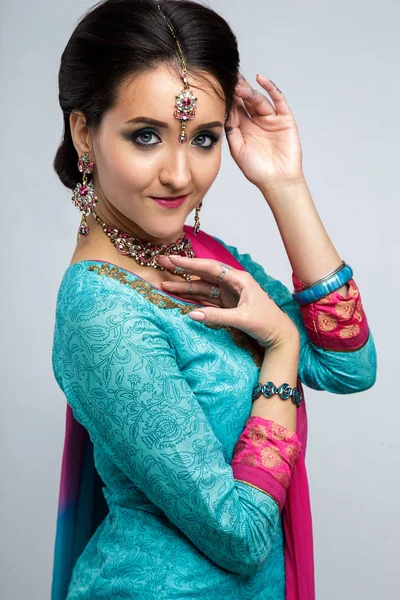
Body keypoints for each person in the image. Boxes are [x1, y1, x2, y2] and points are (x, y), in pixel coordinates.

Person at [50, 1, 377, 598]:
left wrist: (285, 183)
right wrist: (278, 346)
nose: (180, 174)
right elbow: (242, 537)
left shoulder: (192, 253)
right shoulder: (102, 314)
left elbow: (349, 365)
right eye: (145, 136)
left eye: (202, 138)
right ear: (82, 133)